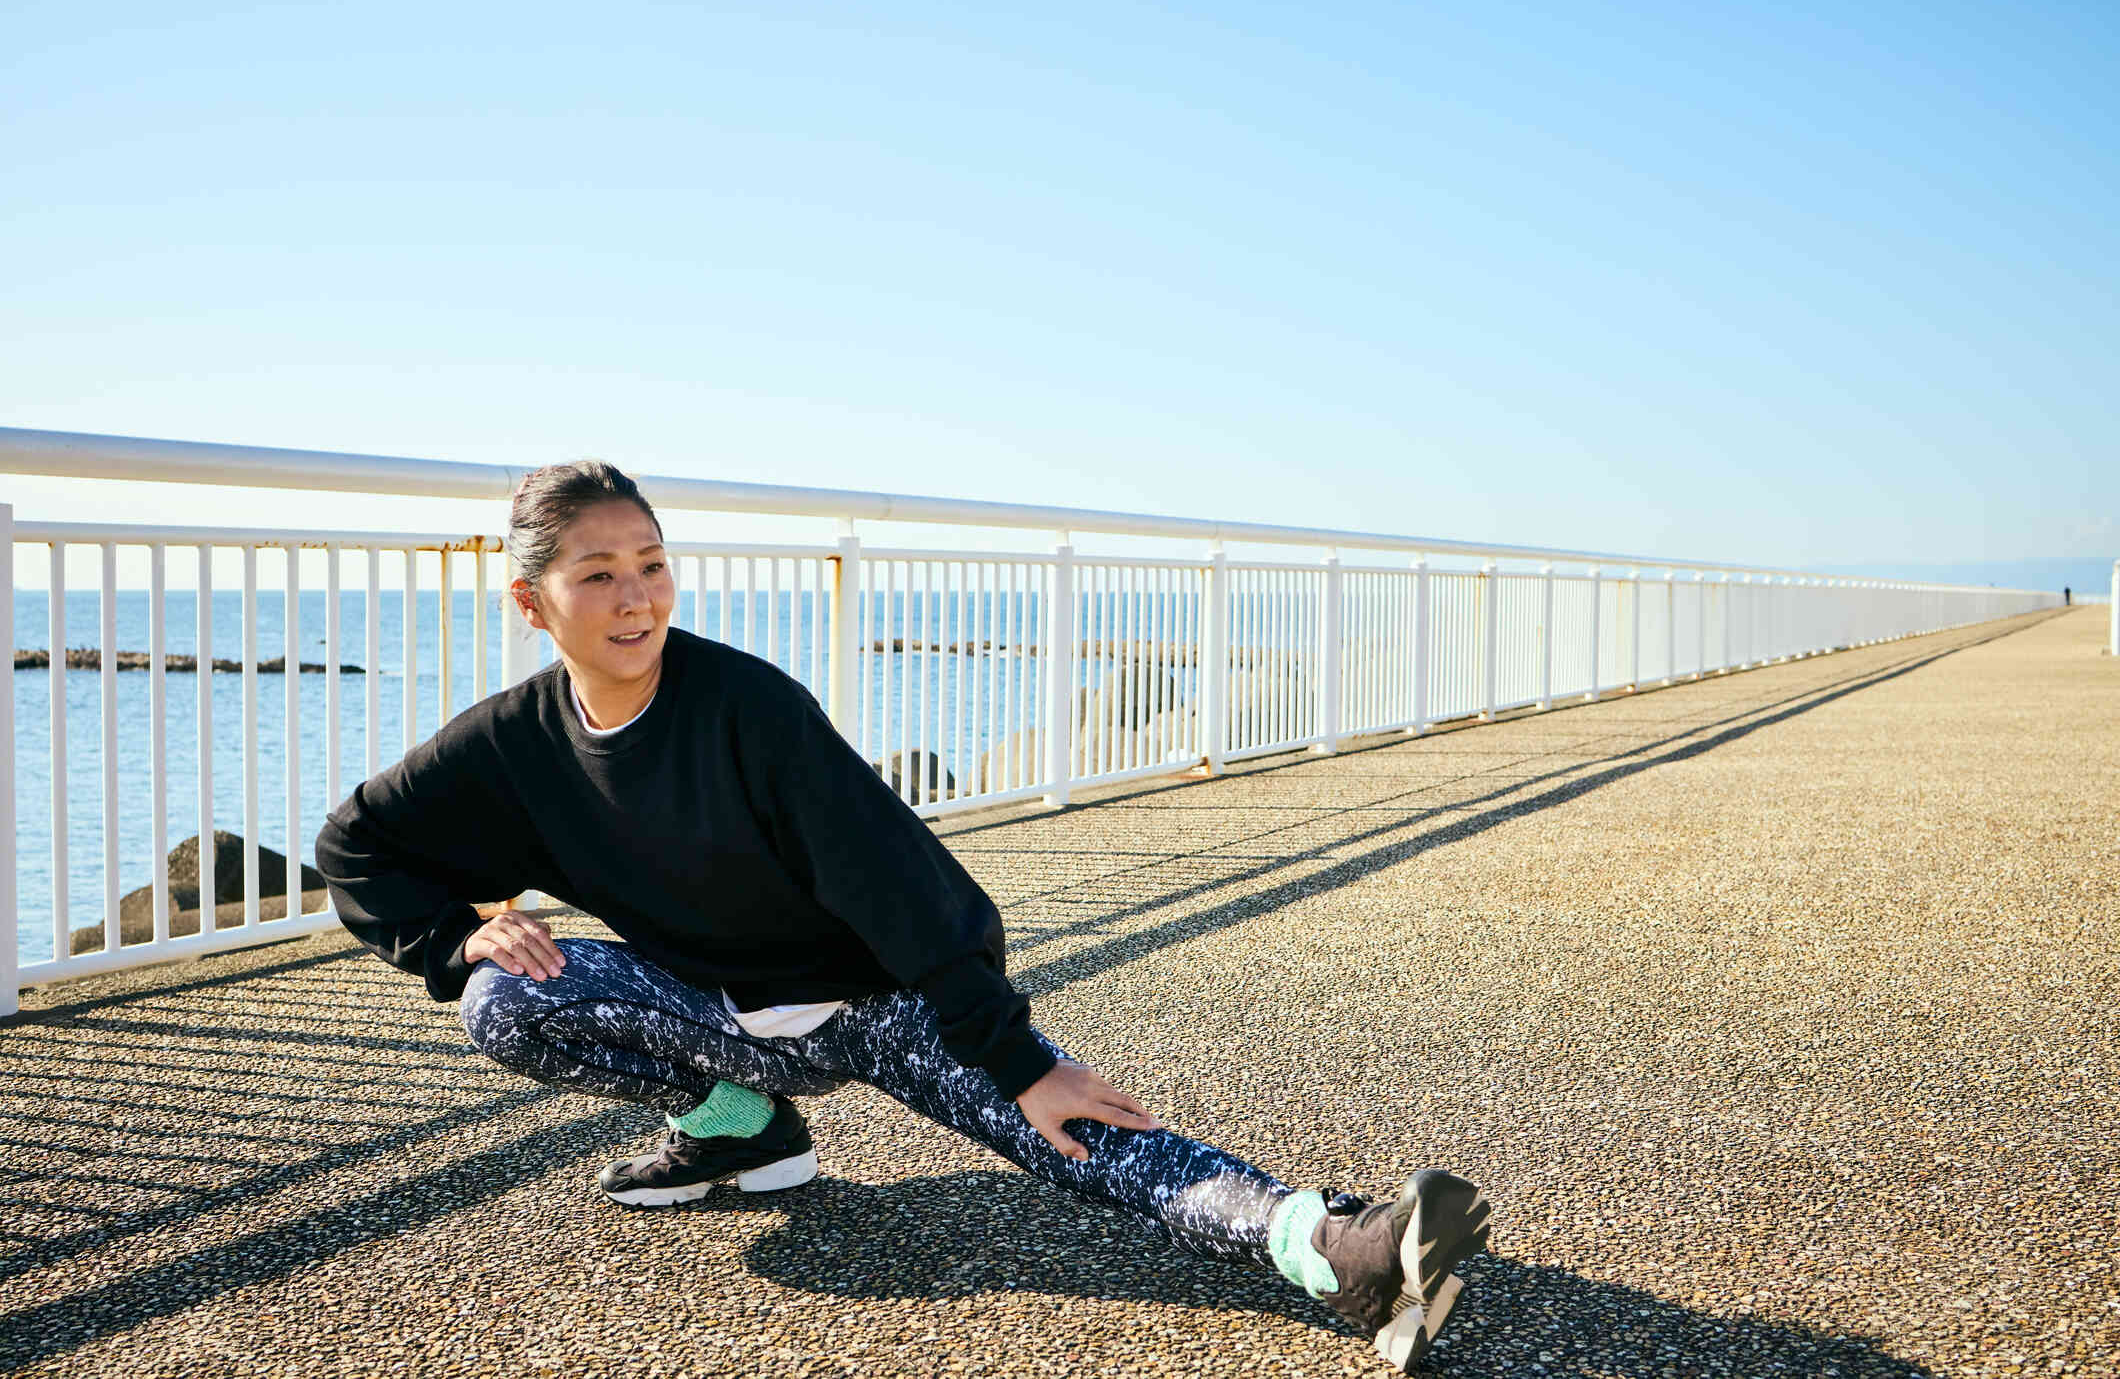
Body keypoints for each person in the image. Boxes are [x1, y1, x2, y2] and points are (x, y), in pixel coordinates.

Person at [316, 460, 1491, 1371]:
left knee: (1065, 1131)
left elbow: (897, 881)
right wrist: (455, 932)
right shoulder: (513, 744)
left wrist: (1013, 1052)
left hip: (876, 1002)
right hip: (712, 1013)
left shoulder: (747, 709)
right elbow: (354, 844)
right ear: (534, 600)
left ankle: (1329, 1243)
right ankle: (740, 1124)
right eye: (598, 575)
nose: (635, 597)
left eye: (652, 563)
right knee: (505, 999)